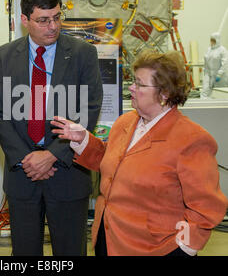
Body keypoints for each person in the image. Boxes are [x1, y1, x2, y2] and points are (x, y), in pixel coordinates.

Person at [51, 49, 228, 256]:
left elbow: (206, 208)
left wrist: (184, 248)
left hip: (153, 248)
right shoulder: (125, 122)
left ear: (164, 94)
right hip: (108, 237)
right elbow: (114, 164)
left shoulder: (191, 139)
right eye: (133, 82)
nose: (132, 88)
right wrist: (83, 141)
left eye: (140, 84)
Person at [0, 0, 103, 255]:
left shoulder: (83, 54)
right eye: (43, 20)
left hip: (67, 171)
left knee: (70, 251)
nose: (53, 26)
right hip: (22, 173)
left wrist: (51, 156)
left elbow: (88, 109)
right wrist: (27, 159)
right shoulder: (4, 56)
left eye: (57, 17)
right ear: (25, 20)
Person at [201, 32, 228, 98]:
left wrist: (219, 74)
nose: (212, 42)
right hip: (209, 74)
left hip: (220, 77)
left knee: (219, 93)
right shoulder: (209, 49)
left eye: (213, 40)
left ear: (217, 40)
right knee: (205, 91)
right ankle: (204, 106)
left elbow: (225, 63)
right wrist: (205, 72)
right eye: (211, 40)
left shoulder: (222, 50)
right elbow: (206, 61)